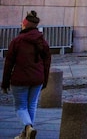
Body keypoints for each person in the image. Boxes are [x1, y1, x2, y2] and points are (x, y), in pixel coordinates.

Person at [2, 11, 52, 139]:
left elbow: (9, 63)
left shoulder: (17, 41)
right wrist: (44, 80)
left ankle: (28, 126)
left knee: (20, 107)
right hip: (37, 79)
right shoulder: (43, 42)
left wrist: (5, 83)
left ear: (25, 25)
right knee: (32, 105)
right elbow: (47, 63)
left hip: (20, 79)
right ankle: (26, 133)